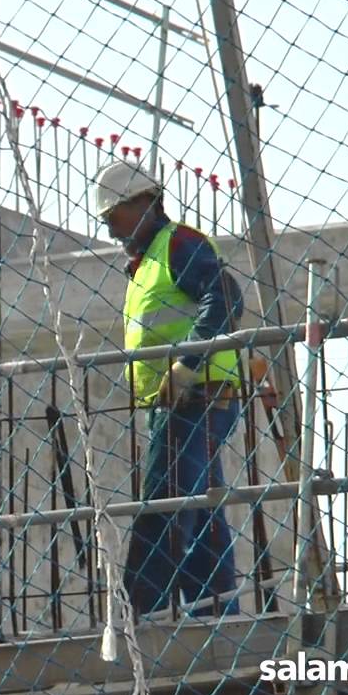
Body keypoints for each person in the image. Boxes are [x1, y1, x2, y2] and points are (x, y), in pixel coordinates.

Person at [93, 159, 245, 618]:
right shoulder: (145, 265)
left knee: (164, 505)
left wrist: (186, 364)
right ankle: (215, 613)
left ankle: (141, 615)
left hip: (196, 395)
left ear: (143, 203)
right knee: (200, 516)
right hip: (178, 401)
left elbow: (226, 298)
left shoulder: (178, 244)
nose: (112, 230)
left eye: (114, 217)